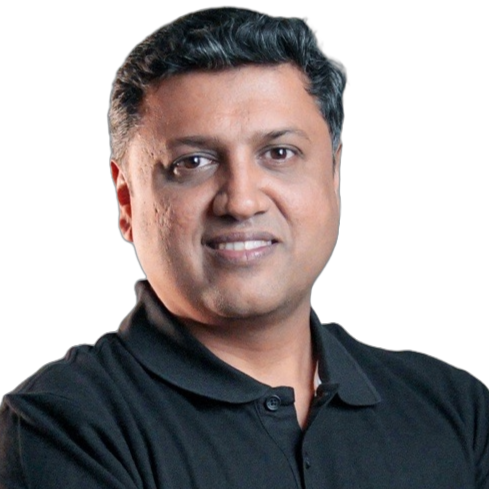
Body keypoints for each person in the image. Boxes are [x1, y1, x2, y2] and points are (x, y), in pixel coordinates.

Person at [1, 6, 487, 488]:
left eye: (279, 153)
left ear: (334, 175)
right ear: (126, 201)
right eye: (193, 162)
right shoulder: (65, 424)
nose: (241, 201)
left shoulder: (456, 409)